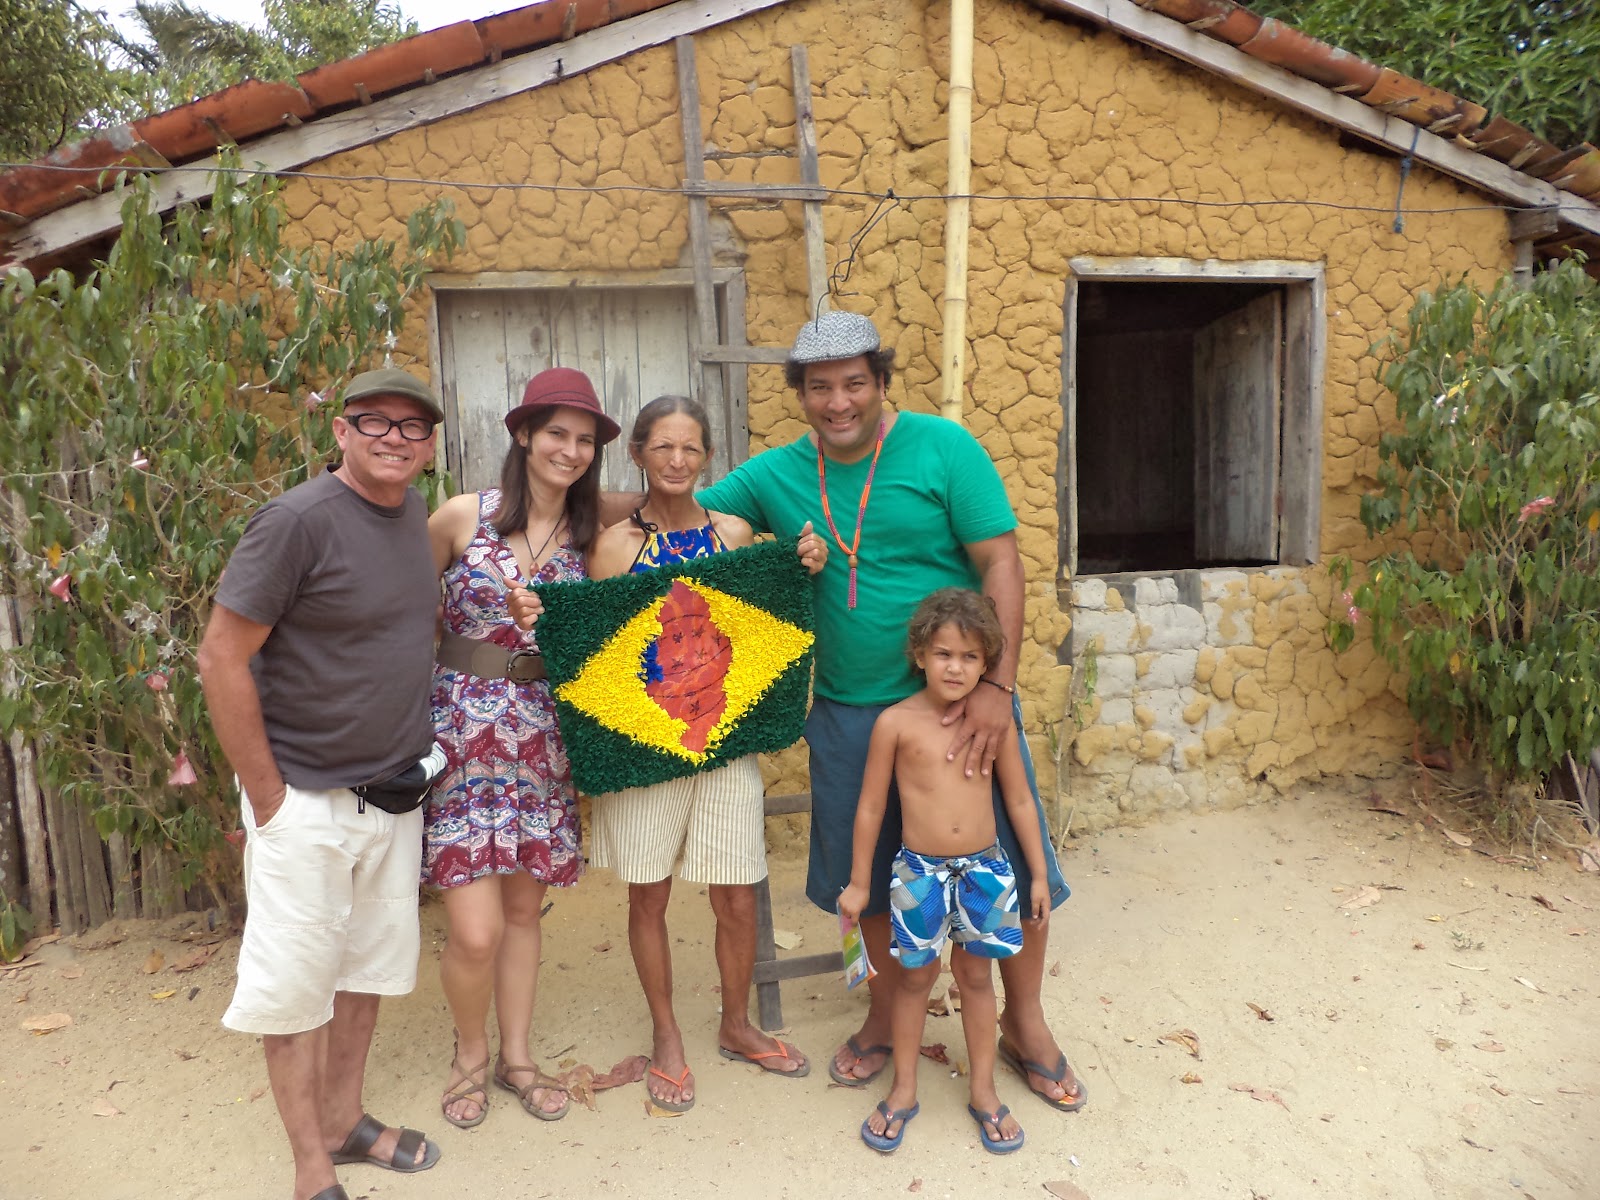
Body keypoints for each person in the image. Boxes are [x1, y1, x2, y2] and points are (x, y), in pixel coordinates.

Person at [694, 310, 1085, 1115]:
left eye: (853, 383)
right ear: (800, 394)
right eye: (819, 388)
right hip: (848, 712)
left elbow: (1001, 562)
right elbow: (680, 514)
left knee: (1008, 862)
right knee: (868, 879)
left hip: (959, 707)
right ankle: (884, 1014)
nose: (837, 402)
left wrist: (996, 688)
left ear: (880, 381)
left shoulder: (945, 449)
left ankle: (1025, 1022)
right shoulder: (775, 474)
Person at [198, 367, 446, 1200]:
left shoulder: (411, 513)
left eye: (412, 427)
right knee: (296, 991)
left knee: (366, 972)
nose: (394, 439)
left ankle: (344, 1121)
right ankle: (311, 1166)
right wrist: (269, 798)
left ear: (429, 446)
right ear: (341, 432)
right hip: (305, 801)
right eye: (375, 421)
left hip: (391, 796)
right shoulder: (296, 522)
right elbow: (220, 656)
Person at [583, 395, 826, 1112]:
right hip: (646, 749)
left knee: (737, 889)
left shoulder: (735, 534)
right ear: (637, 454)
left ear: (708, 456)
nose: (677, 460)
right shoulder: (614, 548)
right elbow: (603, 657)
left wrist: (800, 565)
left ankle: (736, 1023)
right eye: (662, 447)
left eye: (690, 448)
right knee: (649, 892)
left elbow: (757, 627)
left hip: (723, 741)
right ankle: (667, 1035)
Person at [423, 367, 619, 1129]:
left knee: (523, 914)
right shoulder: (460, 517)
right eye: (556, 433)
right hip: (463, 736)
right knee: (475, 931)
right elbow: (403, 613)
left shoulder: (590, 536)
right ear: (524, 435)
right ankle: (468, 1056)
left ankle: (518, 1059)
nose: (569, 450)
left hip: (541, 737)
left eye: (585, 439)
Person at [839, 588, 1049, 1154]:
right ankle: (904, 1088)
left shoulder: (991, 724)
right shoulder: (896, 724)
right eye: (943, 654)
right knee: (914, 979)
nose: (955, 667)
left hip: (986, 871)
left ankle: (983, 1090)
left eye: (970, 657)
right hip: (918, 875)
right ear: (920, 655)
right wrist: (859, 882)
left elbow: (1020, 800)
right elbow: (871, 808)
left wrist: (1037, 873)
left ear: (986, 663)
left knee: (976, 978)